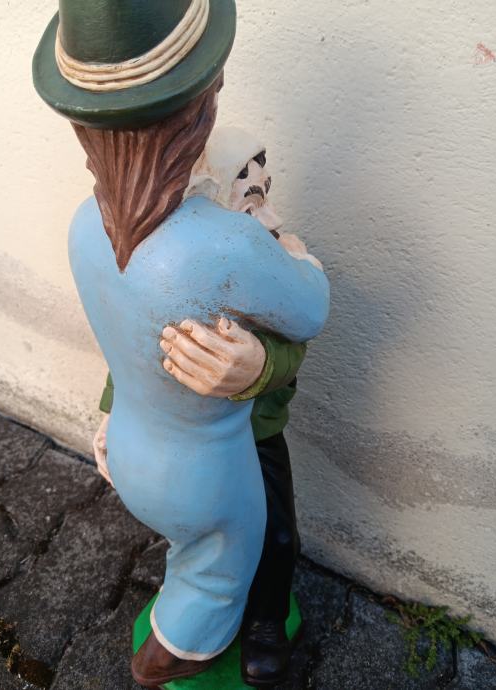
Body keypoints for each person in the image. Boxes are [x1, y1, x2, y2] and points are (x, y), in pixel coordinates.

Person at [33, 1, 329, 686]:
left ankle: (248, 617)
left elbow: (126, 336)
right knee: (225, 558)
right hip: (207, 470)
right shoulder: (227, 244)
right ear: (200, 104)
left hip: (135, 451)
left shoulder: (83, 227)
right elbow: (310, 307)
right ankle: (174, 647)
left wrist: (257, 368)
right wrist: (294, 254)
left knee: (215, 542)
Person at [94, 126, 325, 686]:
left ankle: (266, 621)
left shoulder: (270, 264)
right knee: (196, 524)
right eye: (248, 200)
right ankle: (196, 602)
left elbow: (297, 339)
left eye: (265, 195)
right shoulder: (172, 267)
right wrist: (110, 410)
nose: (267, 216)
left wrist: (259, 367)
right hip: (185, 441)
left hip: (256, 431)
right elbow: (128, 350)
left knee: (276, 531)